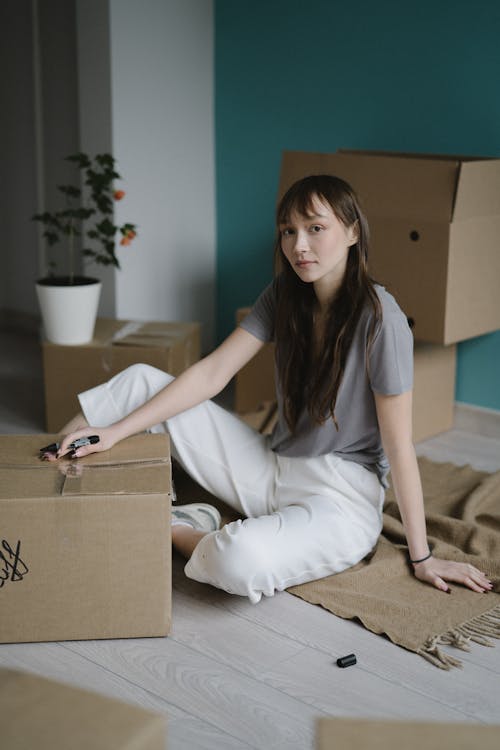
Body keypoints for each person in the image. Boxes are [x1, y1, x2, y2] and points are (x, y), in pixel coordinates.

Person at [49, 174, 492, 603]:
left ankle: (172, 524)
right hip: (272, 465)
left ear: (353, 232)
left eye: (316, 229)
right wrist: (115, 432)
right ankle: (48, 476)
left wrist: (423, 557)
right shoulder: (285, 293)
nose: (299, 245)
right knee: (140, 380)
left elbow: (399, 447)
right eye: (288, 231)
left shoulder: (382, 321)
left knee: (238, 561)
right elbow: (213, 373)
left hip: (339, 496)